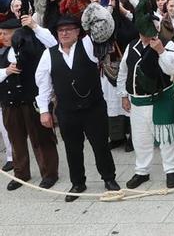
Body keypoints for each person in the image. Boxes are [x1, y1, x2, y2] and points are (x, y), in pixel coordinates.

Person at [34, 13, 120, 201]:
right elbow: (43, 86)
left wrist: (97, 5)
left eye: (68, 30)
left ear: (77, 32)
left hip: (93, 108)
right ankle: (78, 183)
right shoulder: (48, 54)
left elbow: (104, 26)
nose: (64, 33)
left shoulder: (88, 45)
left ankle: (109, 179)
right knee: (72, 148)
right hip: (67, 111)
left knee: (100, 145)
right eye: (60, 30)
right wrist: (44, 112)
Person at [117, 7, 174, 190]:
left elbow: (173, 69)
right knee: (141, 138)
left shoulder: (166, 44)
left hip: (161, 99)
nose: (147, 35)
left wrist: (161, 51)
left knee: (166, 137)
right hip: (137, 101)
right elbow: (123, 72)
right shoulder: (131, 46)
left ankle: (170, 170)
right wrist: (123, 95)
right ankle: (142, 171)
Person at [0, 15, 59, 191]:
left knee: (40, 138)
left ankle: (49, 173)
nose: (2, 37)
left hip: (31, 100)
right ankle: (21, 173)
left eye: (5, 33)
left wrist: (33, 26)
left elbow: (52, 43)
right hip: (10, 103)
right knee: (16, 139)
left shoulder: (32, 48)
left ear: (15, 33)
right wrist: (6, 72)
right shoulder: (3, 52)